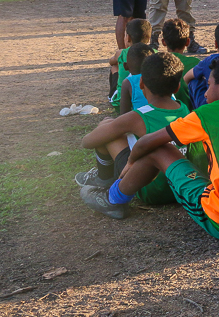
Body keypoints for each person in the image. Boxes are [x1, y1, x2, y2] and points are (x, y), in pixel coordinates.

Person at [81, 53, 219, 242]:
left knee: (161, 149)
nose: (205, 94)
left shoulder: (207, 113)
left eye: (208, 86)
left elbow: (147, 142)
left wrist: (130, 162)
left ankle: (113, 199)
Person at [77, 52, 202, 205]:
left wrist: (106, 127)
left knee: (108, 128)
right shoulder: (184, 109)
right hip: (178, 186)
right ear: (177, 87)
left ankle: (104, 179)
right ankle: (108, 179)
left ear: (141, 83)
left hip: (146, 187)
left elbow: (87, 142)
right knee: (113, 126)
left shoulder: (138, 117)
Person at [109, 19, 151, 107]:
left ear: (128, 38)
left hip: (120, 101)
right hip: (147, 98)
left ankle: (112, 95)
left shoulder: (122, 53)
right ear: (148, 38)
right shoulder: (153, 52)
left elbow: (111, 62)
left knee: (114, 67)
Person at [161, 18, 202, 110]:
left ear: (163, 42)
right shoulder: (196, 64)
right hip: (190, 115)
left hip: (163, 113)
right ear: (188, 42)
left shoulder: (157, 63)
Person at [119, 43, 157, 115]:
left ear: (125, 66)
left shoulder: (128, 83)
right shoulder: (161, 77)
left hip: (144, 123)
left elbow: (123, 115)